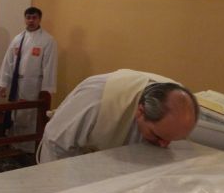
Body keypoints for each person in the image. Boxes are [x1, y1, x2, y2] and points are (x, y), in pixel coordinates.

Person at [37, 69, 198, 163]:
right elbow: (56, 144)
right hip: (72, 160)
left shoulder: (179, 105)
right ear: (140, 112)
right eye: (157, 136)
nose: (164, 145)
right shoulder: (96, 101)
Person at [0, 7, 58, 152]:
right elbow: (8, 62)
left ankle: (29, 147)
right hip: (16, 84)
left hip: (34, 85)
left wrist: (46, 91)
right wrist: (3, 84)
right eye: (28, 17)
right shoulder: (18, 39)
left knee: (30, 115)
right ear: (25, 19)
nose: (31, 21)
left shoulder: (47, 40)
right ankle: (15, 144)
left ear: (39, 19)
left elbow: (49, 67)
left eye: (34, 18)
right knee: (16, 114)